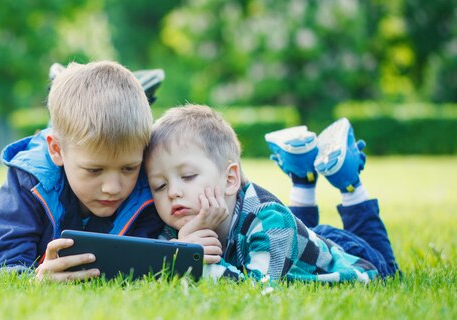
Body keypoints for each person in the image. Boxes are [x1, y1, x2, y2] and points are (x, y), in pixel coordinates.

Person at [0, 61, 165, 281]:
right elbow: (3, 262)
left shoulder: (150, 179)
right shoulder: (30, 179)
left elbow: (157, 249)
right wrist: (34, 277)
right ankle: (62, 89)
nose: (113, 188)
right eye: (94, 170)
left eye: (128, 168)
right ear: (56, 150)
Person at [144, 104, 399, 283]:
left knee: (388, 270)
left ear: (230, 179)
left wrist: (191, 257)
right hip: (296, 243)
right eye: (159, 186)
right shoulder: (173, 229)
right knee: (300, 233)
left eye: (188, 176)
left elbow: (257, 287)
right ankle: (302, 177)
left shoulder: (270, 221)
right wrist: (180, 249)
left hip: (351, 257)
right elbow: (153, 271)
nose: (173, 193)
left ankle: (349, 182)